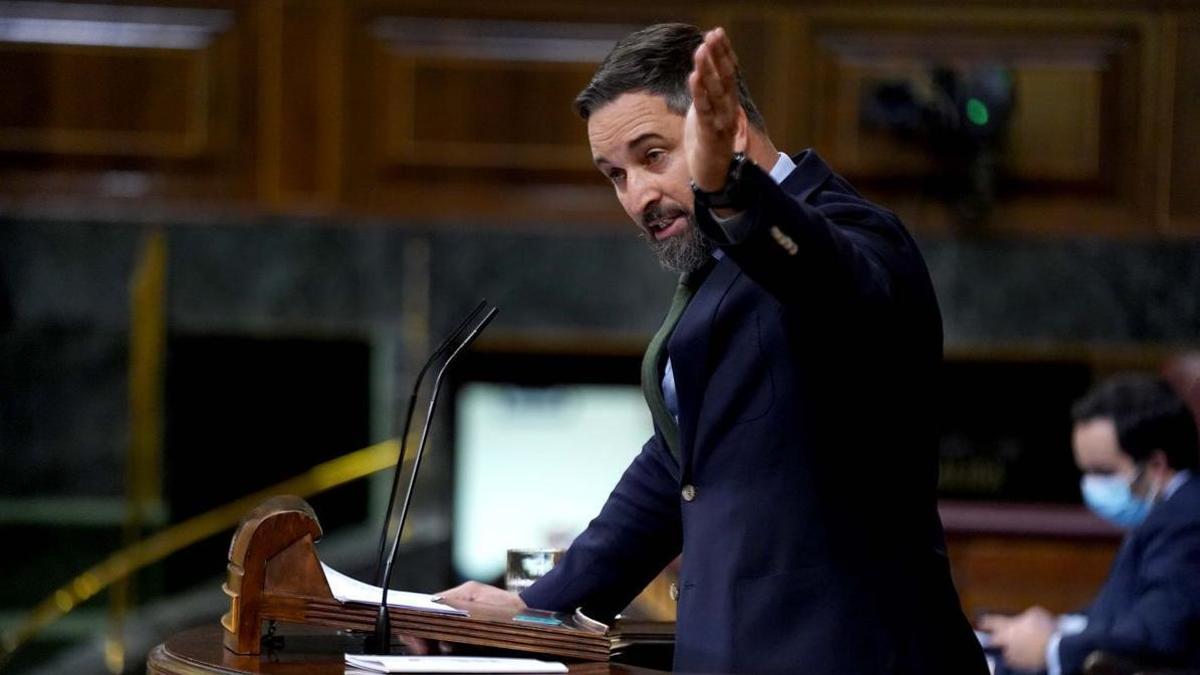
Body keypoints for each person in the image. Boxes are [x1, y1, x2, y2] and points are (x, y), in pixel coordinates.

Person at [432, 23, 987, 673]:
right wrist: (534, 609)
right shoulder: (716, 274)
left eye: (653, 156)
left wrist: (733, 190)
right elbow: (679, 469)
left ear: (730, 134)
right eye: (615, 174)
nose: (636, 195)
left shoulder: (852, 235)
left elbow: (828, 278)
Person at [981, 373, 1200, 675]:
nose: (1092, 485)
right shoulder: (1166, 515)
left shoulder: (1187, 521)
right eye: (1086, 471)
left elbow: (1156, 634)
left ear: (1156, 466)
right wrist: (1055, 626)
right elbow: (1121, 614)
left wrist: (1050, 648)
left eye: (1103, 471)